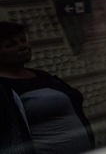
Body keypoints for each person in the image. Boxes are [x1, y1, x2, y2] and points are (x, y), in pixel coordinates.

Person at [0, 21, 94, 154]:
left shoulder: (42, 76)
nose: (22, 46)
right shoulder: (3, 88)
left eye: (23, 40)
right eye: (10, 45)